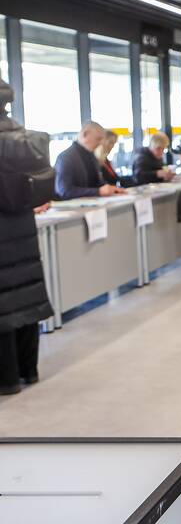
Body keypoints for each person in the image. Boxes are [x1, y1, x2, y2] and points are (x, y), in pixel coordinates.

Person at [0, 78, 55, 396]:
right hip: (22, 227)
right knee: (26, 294)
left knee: (4, 306)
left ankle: (6, 380)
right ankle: (29, 370)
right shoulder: (22, 136)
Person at [54, 121, 126, 199]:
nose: (101, 143)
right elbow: (64, 191)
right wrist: (98, 191)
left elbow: (97, 183)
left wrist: (112, 189)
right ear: (85, 134)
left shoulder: (91, 156)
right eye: (98, 139)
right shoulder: (65, 158)